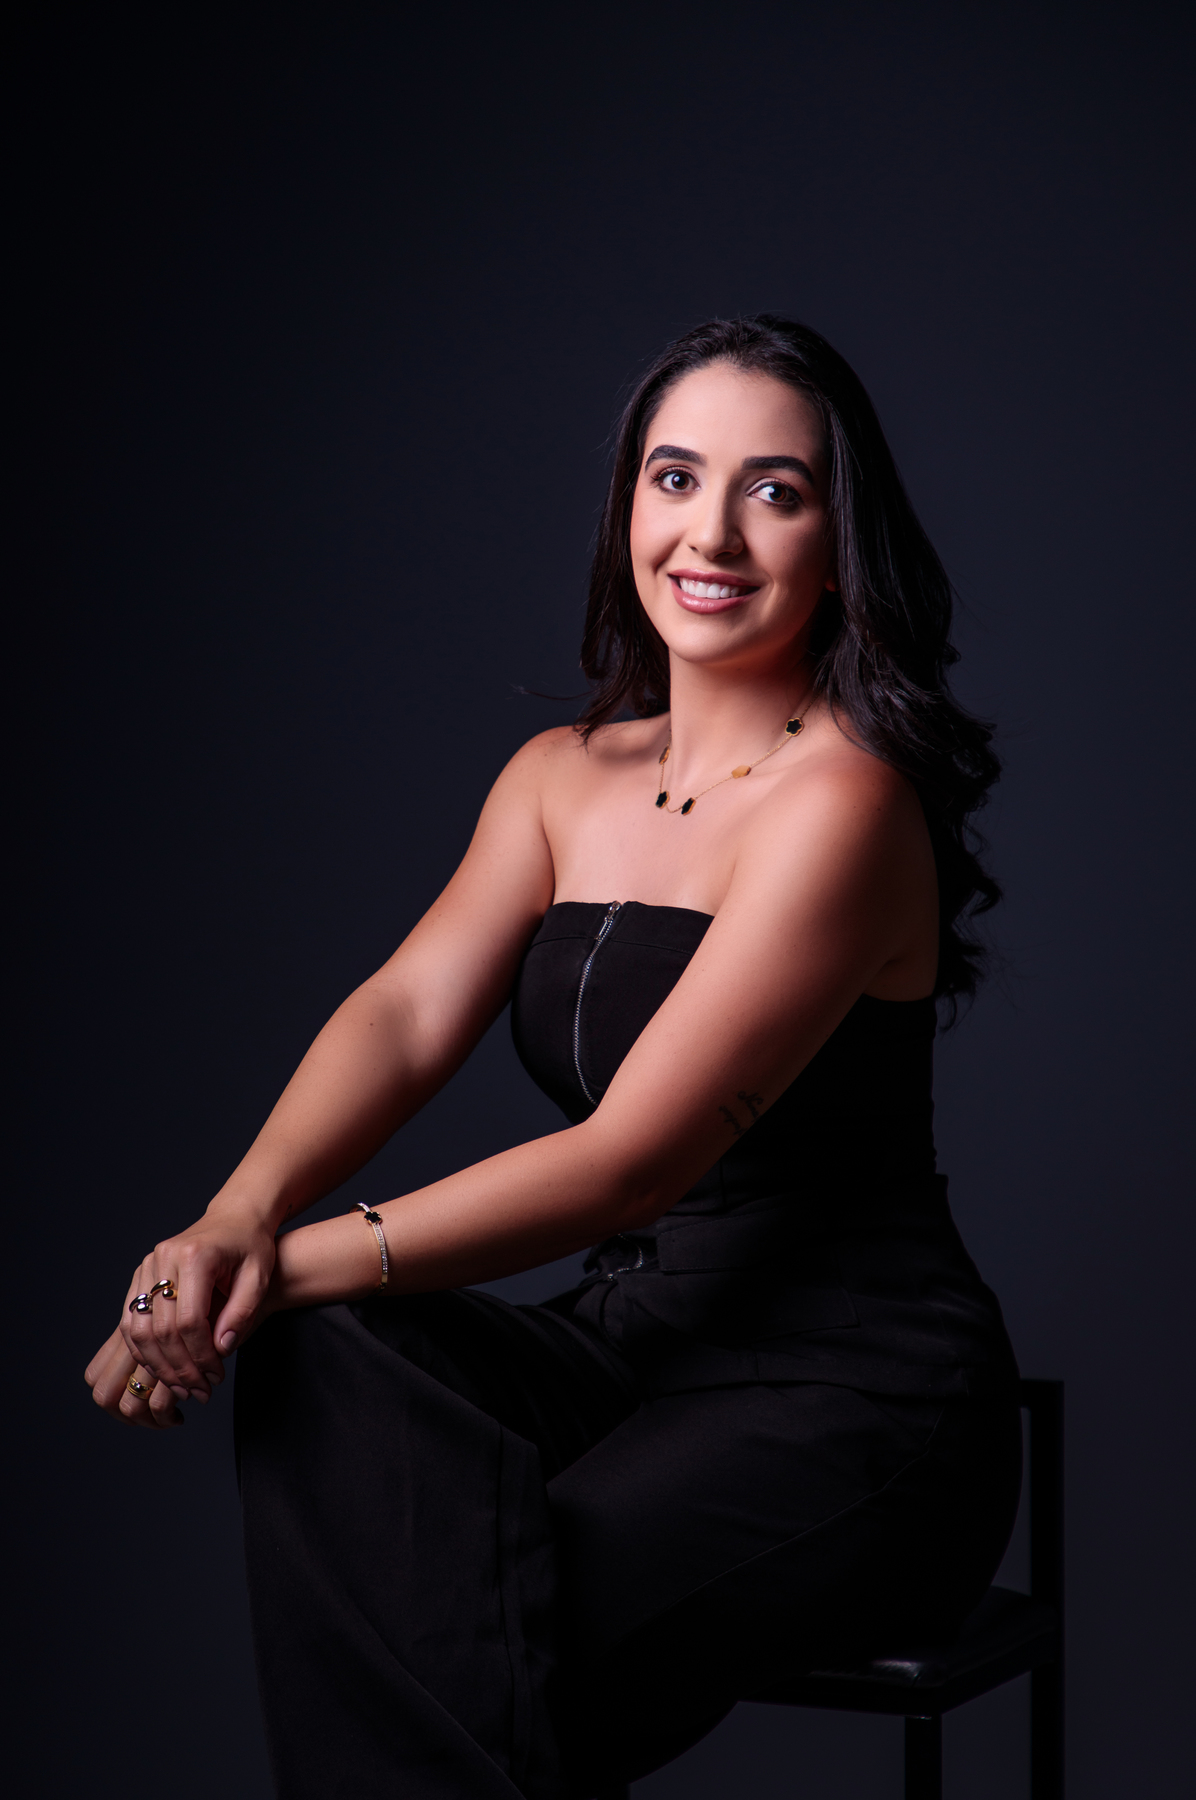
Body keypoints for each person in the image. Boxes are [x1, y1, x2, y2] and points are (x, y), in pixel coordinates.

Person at [85, 316, 1020, 1799]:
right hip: (631, 1348)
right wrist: (229, 1221)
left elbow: (626, 1164)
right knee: (339, 1378)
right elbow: (405, 1011)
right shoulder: (557, 779)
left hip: (856, 1393)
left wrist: (247, 1286)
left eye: (776, 492)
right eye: (675, 478)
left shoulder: (845, 805)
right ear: (627, 508)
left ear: (843, 546)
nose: (711, 533)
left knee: (483, 1626)